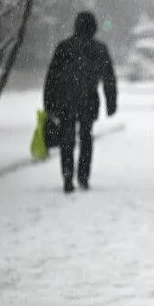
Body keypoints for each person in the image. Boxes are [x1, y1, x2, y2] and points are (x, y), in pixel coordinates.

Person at [43, 11, 117, 193]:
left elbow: (51, 77)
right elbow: (109, 78)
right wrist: (111, 102)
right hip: (88, 100)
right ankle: (83, 176)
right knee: (86, 138)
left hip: (66, 101)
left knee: (66, 139)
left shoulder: (64, 47)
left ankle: (67, 175)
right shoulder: (99, 49)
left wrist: (49, 103)